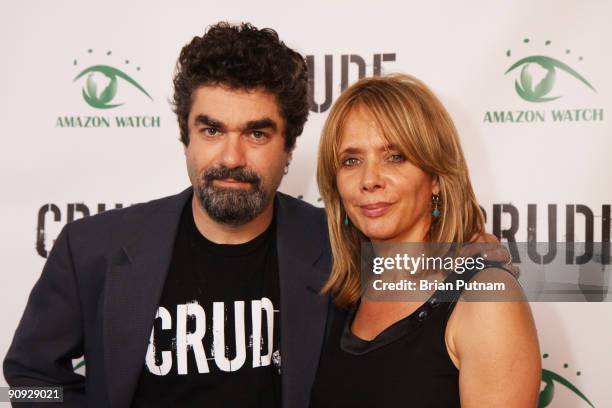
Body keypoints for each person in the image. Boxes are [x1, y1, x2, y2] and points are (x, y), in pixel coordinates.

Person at [3, 22, 331, 408]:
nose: (231, 158)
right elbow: (27, 382)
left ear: (289, 147)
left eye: (257, 134)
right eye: (211, 130)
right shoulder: (90, 249)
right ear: (185, 137)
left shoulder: (338, 244)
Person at [310, 74, 541, 407]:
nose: (369, 179)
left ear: (435, 177)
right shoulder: (339, 295)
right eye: (351, 161)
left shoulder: (486, 299)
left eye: (395, 157)